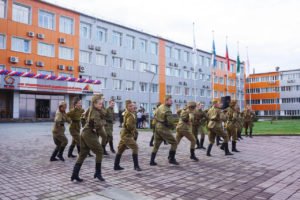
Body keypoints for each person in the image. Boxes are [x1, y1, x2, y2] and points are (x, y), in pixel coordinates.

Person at [71, 95, 105, 182]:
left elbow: (83, 116)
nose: (101, 105)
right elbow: (97, 124)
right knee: (100, 151)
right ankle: (97, 173)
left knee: (83, 153)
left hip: (84, 132)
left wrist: (87, 124)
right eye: (100, 104)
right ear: (94, 103)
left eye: (102, 103)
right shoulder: (95, 112)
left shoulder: (90, 109)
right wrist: (102, 122)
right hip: (89, 134)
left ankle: (74, 174)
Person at [150, 95, 179, 166]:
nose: (172, 102)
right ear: (166, 101)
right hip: (163, 128)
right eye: (170, 100)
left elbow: (155, 115)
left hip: (157, 127)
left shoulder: (160, 107)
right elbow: (170, 122)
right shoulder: (167, 110)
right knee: (174, 142)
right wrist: (172, 127)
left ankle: (152, 161)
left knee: (156, 145)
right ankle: (171, 159)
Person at [114, 100, 142, 171]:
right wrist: (133, 130)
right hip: (126, 135)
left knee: (121, 149)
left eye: (132, 105)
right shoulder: (129, 114)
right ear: (127, 107)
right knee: (135, 147)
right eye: (130, 106)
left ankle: (116, 166)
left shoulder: (131, 113)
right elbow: (129, 125)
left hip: (124, 134)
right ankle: (136, 166)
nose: (132, 107)